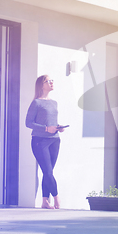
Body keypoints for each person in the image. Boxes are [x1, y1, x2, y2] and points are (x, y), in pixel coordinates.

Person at [25, 75, 66, 209]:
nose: (51, 82)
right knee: (48, 171)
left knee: (47, 172)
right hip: (40, 141)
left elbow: (50, 121)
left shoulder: (54, 103)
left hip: (55, 140)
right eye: (48, 81)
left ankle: (44, 201)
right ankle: (56, 198)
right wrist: (46, 129)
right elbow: (28, 123)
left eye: (52, 80)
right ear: (41, 85)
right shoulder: (36, 103)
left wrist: (58, 127)